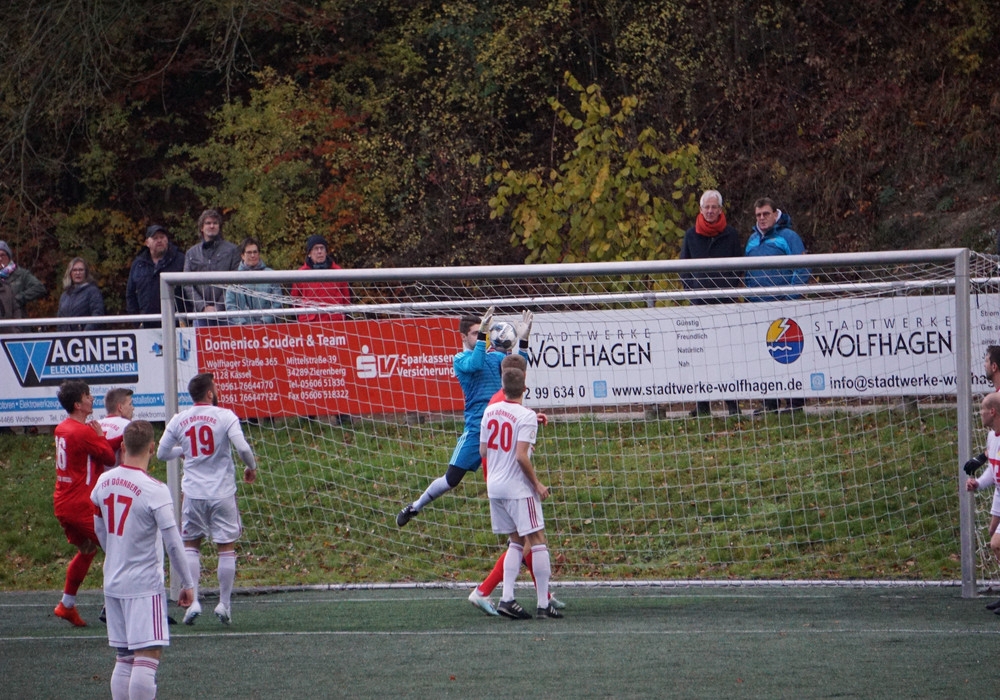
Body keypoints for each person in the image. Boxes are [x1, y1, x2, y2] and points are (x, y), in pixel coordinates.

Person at [396, 308, 531, 527]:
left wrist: (523, 342)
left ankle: (516, 536)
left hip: (500, 428)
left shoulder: (496, 357)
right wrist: (484, 337)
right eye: (476, 334)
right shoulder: (460, 359)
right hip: (476, 430)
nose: (482, 337)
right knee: (451, 479)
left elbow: (518, 372)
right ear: (463, 337)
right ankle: (415, 506)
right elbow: (475, 364)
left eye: (483, 332)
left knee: (512, 480)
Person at [91, 420, 195, 700]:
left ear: (122, 446)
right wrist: (187, 583)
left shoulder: (103, 481)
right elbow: (174, 542)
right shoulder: (154, 489)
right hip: (143, 584)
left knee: (124, 656)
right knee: (148, 655)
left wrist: (114, 551)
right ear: (152, 448)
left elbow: (99, 528)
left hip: (112, 580)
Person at [156, 372, 258, 625]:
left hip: (193, 493)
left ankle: (195, 600)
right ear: (210, 393)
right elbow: (242, 447)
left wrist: (184, 452)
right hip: (222, 492)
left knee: (191, 545)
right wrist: (251, 466)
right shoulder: (225, 416)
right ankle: (224, 604)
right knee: (226, 546)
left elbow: (160, 453)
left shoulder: (180, 419)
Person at [468, 352, 564, 616]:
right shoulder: (526, 415)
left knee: (516, 542)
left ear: (502, 383)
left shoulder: (490, 410)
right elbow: (521, 456)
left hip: (494, 486)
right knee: (538, 540)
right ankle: (544, 605)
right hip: (518, 487)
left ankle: (507, 599)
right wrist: (538, 484)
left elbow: (484, 450)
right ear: (525, 387)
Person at [52, 379, 119, 627]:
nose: (92, 398)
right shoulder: (83, 432)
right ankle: (114, 606)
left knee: (88, 549)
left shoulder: (64, 428)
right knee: (117, 549)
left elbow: (94, 450)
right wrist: (102, 436)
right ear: (79, 404)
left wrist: (121, 438)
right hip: (80, 504)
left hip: (63, 501)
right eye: (88, 396)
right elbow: (109, 456)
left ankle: (66, 605)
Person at [744, 197, 810, 414]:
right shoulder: (752, 240)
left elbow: (802, 269)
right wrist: (748, 299)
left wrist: (790, 299)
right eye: (758, 215)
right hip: (758, 308)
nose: (762, 218)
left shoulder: (789, 237)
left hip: (784, 308)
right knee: (764, 356)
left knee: (789, 354)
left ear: (775, 214)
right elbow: (746, 273)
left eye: (765, 214)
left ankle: (794, 402)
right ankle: (769, 402)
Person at [680, 189, 742, 417]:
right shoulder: (690, 236)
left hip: (725, 304)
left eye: (714, 206)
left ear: (720, 209)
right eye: (706, 206)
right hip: (699, 305)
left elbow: (739, 266)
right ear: (700, 209)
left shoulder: (731, 234)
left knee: (726, 355)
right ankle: (703, 404)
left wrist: (729, 291)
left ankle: (732, 404)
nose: (710, 210)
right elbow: (682, 268)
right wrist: (692, 292)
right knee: (701, 356)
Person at [966, 392, 1000, 612]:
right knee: (995, 541)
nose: (980, 414)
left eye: (982, 410)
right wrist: (977, 484)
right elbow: (994, 472)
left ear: (993, 411)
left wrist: (996, 517)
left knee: (996, 543)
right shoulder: (992, 437)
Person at [183, 209, 241, 326]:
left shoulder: (232, 250)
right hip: (200, 315)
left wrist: (219, 306)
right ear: (201, 227)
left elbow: (236, 281)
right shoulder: (191, 253)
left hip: (227, 314)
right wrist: (202, 306)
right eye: (208, 223)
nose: (212, 226)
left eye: (215, 223)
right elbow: (187, 284)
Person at [125, 224, 186, 326]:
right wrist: (136, 321)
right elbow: (130, 294)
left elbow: (188, 290)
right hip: (147, 324)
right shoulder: (138, 264)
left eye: (162, 237)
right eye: (155, 238)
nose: (159, 240)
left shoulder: (180, 260)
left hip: (175, 323)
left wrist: (185, 319)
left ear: (167, 240)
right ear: (147, 243)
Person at [290, 234, 351, 322]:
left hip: (334, 322)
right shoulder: (301, 274)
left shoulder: (338, 271)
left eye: (322, 248)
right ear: (309, 253)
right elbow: (294, 300)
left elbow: (346, 298)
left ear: (326, 252)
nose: (319, 251)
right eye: (316, 248)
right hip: (309, 323)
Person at [224, 238, 284, 324]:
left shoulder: (271, 275)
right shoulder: (235, 278)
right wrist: (243, 323)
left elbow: (277, 302)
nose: (252, 255)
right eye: (249, 252)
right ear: (242, 255)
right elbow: (230, 305)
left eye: (255, 252)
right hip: (242, 330)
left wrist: (264, 321)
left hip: (269, 329)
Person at [0, 239, 47, 320]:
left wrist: (18, 299)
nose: (0, 259)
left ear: (9, 256)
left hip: (17, 323)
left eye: (2, 255)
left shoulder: (21, 274)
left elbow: (39, 288)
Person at [57, 257, 105, 331]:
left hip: (85, 338)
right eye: (74, 270)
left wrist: (85, 333)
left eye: (81, 270)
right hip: (65, 338)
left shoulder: (93, 292)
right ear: (70, 273)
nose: (78, 273)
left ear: (86, 272)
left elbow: (97, 314)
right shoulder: (65, 295)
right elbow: (59, 319)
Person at [100, 388, 135, 467]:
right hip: (117, 477)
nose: (133, 408)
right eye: (130, 404)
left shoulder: (95, 425)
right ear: (120, 407)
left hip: (97, 477)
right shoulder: (128, 426)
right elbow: (128, 461)